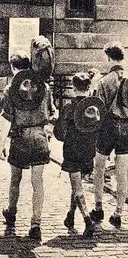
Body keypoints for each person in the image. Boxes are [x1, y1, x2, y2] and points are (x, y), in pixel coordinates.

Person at [0, 51, 56, 241]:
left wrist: (1, 144)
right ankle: (35, 224)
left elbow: (6, 119)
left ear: (13, 67)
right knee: (37, 182)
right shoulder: (44, 87)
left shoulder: (10, 90)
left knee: (15, 179)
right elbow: (52, 112)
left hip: (20, 138)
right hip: (39, 137)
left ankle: (11, 212)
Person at [54, 72, 106, 237]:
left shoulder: (69, 108)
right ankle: (70, 215)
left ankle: (87, 220)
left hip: (72, 151)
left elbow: (59, 134)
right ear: (89, 87)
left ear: (73, 88)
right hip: (89, 151)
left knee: (77, 188)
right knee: (77, 185)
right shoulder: (95, 108)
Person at [90, 42, 128, 229]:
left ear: (108, 57)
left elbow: (98, 109)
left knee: (100, 168)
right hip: (127, 128)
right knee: (123, 172)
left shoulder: (104, 81)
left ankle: (98, 208)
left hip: (107, 127)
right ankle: (119, 212)